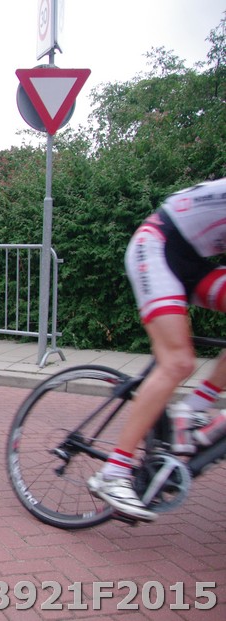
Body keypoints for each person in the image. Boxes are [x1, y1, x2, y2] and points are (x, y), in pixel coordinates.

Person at [88, 177, 226, 522]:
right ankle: (114, 474)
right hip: (156, 247)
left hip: (193, 260)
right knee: (178, 362)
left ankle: (193, 409)